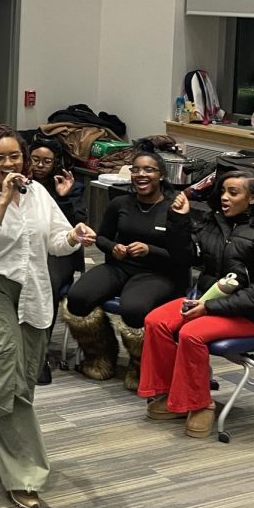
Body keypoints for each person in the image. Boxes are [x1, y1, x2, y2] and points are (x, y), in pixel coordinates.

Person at [0, 124, 96, 508]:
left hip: (32, 288)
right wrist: (1, 202)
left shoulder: (39, 193)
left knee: (24, 376)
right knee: (5, 380)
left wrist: (74, 236)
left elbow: (55, 240)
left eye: (15, 156)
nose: (9, 163)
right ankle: (25, 476)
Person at [139, 170, 254, 439]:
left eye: (233, 193)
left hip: (252, 316)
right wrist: (178, 221)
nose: (225, 198)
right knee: (155, 321)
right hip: (207, 302)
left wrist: (208, 308)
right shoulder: (215, 224)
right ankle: (171, 394)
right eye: (223, 192)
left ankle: (200, 403)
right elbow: (185, 258)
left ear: (252, 198)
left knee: (191, 334)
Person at [61, 147, 190, 390]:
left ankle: (140, 365)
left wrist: (150, 250)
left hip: (158, 272)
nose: (141, 174)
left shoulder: (174, 208)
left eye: (149, 170)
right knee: (77, 299)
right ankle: (100, 356)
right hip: (120, 266)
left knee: (133, 310)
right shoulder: (120, 203)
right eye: (136, 170)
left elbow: (184, 258)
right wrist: (113, 247)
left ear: (161, 175)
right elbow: (101, 237)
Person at [27, 136, 86, 385]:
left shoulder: (72, 186)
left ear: (56, 163)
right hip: (30, 248)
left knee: (46, 283)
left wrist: (63, 197)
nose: (40, 165)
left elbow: (78, 228)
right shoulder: (23, 185)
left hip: (61, 252)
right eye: (36, 160)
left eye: (47, 161)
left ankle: (40, 353)